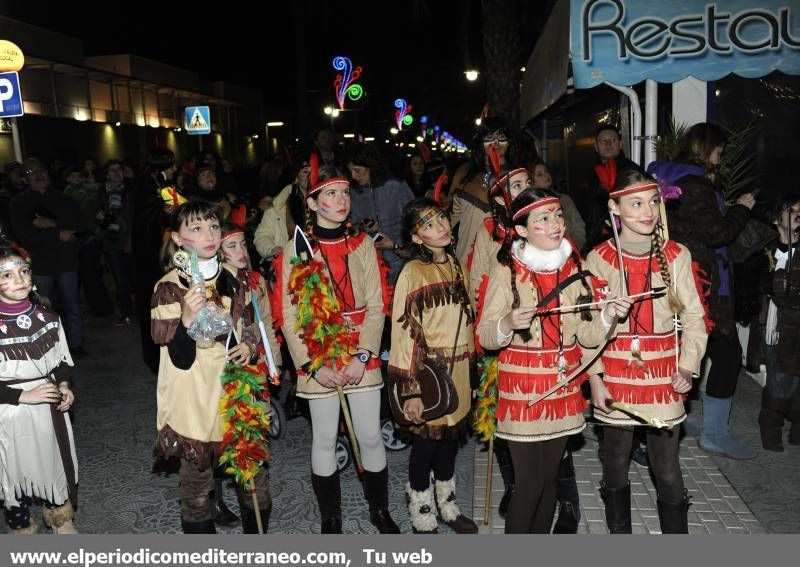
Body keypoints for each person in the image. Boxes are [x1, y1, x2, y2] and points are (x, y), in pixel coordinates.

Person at [476, 187, 629, 533]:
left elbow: (587, 338)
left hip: (563, 387)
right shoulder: (506, 271)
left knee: (547, 483)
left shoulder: (575, 269)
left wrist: (608, 316)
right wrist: (507, 323)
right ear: (521, 230)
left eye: (558, 215)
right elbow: (485, 335)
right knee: (528, 486)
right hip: (523, 389)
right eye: (543, 219)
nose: (556, 224)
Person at [274, 166, 399, 534]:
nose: (342, 200)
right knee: (325, 437)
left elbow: (377, 305)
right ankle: (331, 517)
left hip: (362, 352)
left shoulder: (362, 243)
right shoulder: (295, 249)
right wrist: (313, 365)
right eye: (331, 193)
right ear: (312, 202)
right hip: (319, 353)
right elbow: (288, 314)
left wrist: (363, 357)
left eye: (345, 192)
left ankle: (380, 510)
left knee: (371, 435)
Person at [585, 168, 708, 533]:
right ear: (615, 207)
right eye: (635, 203)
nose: (647, 211)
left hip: (663, 378)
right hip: (615, 376)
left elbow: (696, 319)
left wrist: (687, 368)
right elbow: (583, 330)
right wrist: (594, 379)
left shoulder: (676, 255)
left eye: (653, 202)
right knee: (615, 462)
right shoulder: (598, 259)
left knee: (667, 470)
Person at [151, 200, 269, 534]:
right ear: (177, 237)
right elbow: (179, 358)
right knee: (197, 486)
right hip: (194, 395)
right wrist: (186, 320)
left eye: (214, 226)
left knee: (254, 477)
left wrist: (249, 345)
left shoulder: (234, 278)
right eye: (197, 228)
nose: (209, 235)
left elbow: (249, 326)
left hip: (236, 393)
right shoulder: (169, 287)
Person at [649, 122, 758, 460]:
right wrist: (743, 207)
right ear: (705, 148)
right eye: (718, 151)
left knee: (682, 349)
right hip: (702, 281)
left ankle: (673, 422)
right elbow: (716, 233)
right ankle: (714, 433)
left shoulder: (665, 178)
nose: (719, 158)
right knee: (726, 352)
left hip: (679, 275)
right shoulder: (695, 184)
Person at [389, 198, 478, 535]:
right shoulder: (413, 272)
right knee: (425, 445)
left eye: (441, 218)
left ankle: (449, 505)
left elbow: (467, 323)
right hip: (429, 373)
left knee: (450, 442)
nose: (440, 227)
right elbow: (403, 332)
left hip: (459, 370)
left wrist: (471, 375)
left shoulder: (457, 265)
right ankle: (422, 512)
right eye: (428, 224)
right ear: (415, 237)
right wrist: (410, 390)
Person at [0, 244, 78, 534]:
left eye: (23, 271)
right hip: (7, 413)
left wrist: (64, 385)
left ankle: (61, 519)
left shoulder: (47, 316)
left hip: (47, 412)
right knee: (12, 471)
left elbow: (61, 361)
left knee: (51, 461)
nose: (19, 279)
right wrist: (23, 395)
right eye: (7, 275)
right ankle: (21, 529)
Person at [9, 158, 86, 356]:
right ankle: (50, 348)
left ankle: (76, 344)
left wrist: (49, 223)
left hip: (66, 260)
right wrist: (58, 233)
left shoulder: (63, 198)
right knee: (43, 309)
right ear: (25, 179)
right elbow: (24, 234)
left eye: (41, 169)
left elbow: (78, 224)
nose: (38, 174)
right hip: (39, 263)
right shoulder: (19, 203)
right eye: (31, 172)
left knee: (72, 306)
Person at [754, 194, 800, 451]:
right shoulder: (765, 249)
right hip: (777, 324)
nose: (797, 214)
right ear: (775, 219)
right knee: (780, 376)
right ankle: (770, 429)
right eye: (790, 210)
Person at [449, 117, 519, 262]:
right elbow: (450, 218)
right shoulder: (464, 172)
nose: (496, 142)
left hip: (504, 264)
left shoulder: (518, 175)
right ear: (480, 142)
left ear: (509, 142)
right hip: (467, 260)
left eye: (501, 137)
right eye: (489, 137)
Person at [133, 148, 177, 373]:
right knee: (154, 306)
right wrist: (163, 211)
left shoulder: (158, 185)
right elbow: (146, 221)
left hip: (161, 256)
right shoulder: (145, 187)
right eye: (170, 165)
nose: (174, 170)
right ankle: (157, 359)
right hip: (150, 260)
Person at [346, 143, 415, 284]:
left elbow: (416, 224)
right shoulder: (354, 192)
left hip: (402, 264)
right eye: (351, 171)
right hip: (371, 267)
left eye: (357, 170)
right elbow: (353, 226)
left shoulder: (396, 187)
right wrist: (363, 229)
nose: (353, 176)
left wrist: (396, 245)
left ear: (370, 167)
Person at [580, 125, 644, 254]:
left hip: (623, 244)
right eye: (603, 141)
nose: (608, 144)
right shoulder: (595, 172)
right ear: (596, 147)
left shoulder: (632, 172)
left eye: (613, 140)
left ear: (620, 144)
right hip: (597, 242)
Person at [253, 161, 310, 261]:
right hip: (289, 265)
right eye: (305, 172)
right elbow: (262, 236)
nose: (310, 176)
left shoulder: (328, 202)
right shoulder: (278, 206)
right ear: (296, 178)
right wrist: (273, 249)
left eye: (314, 171)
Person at [529, 160, 586, 251]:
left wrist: (574, 246)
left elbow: (578, 225)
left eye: (546, 171)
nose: (546, 175)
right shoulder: (530, 206)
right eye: (540, 174)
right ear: (531, 182)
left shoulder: (564, 199)